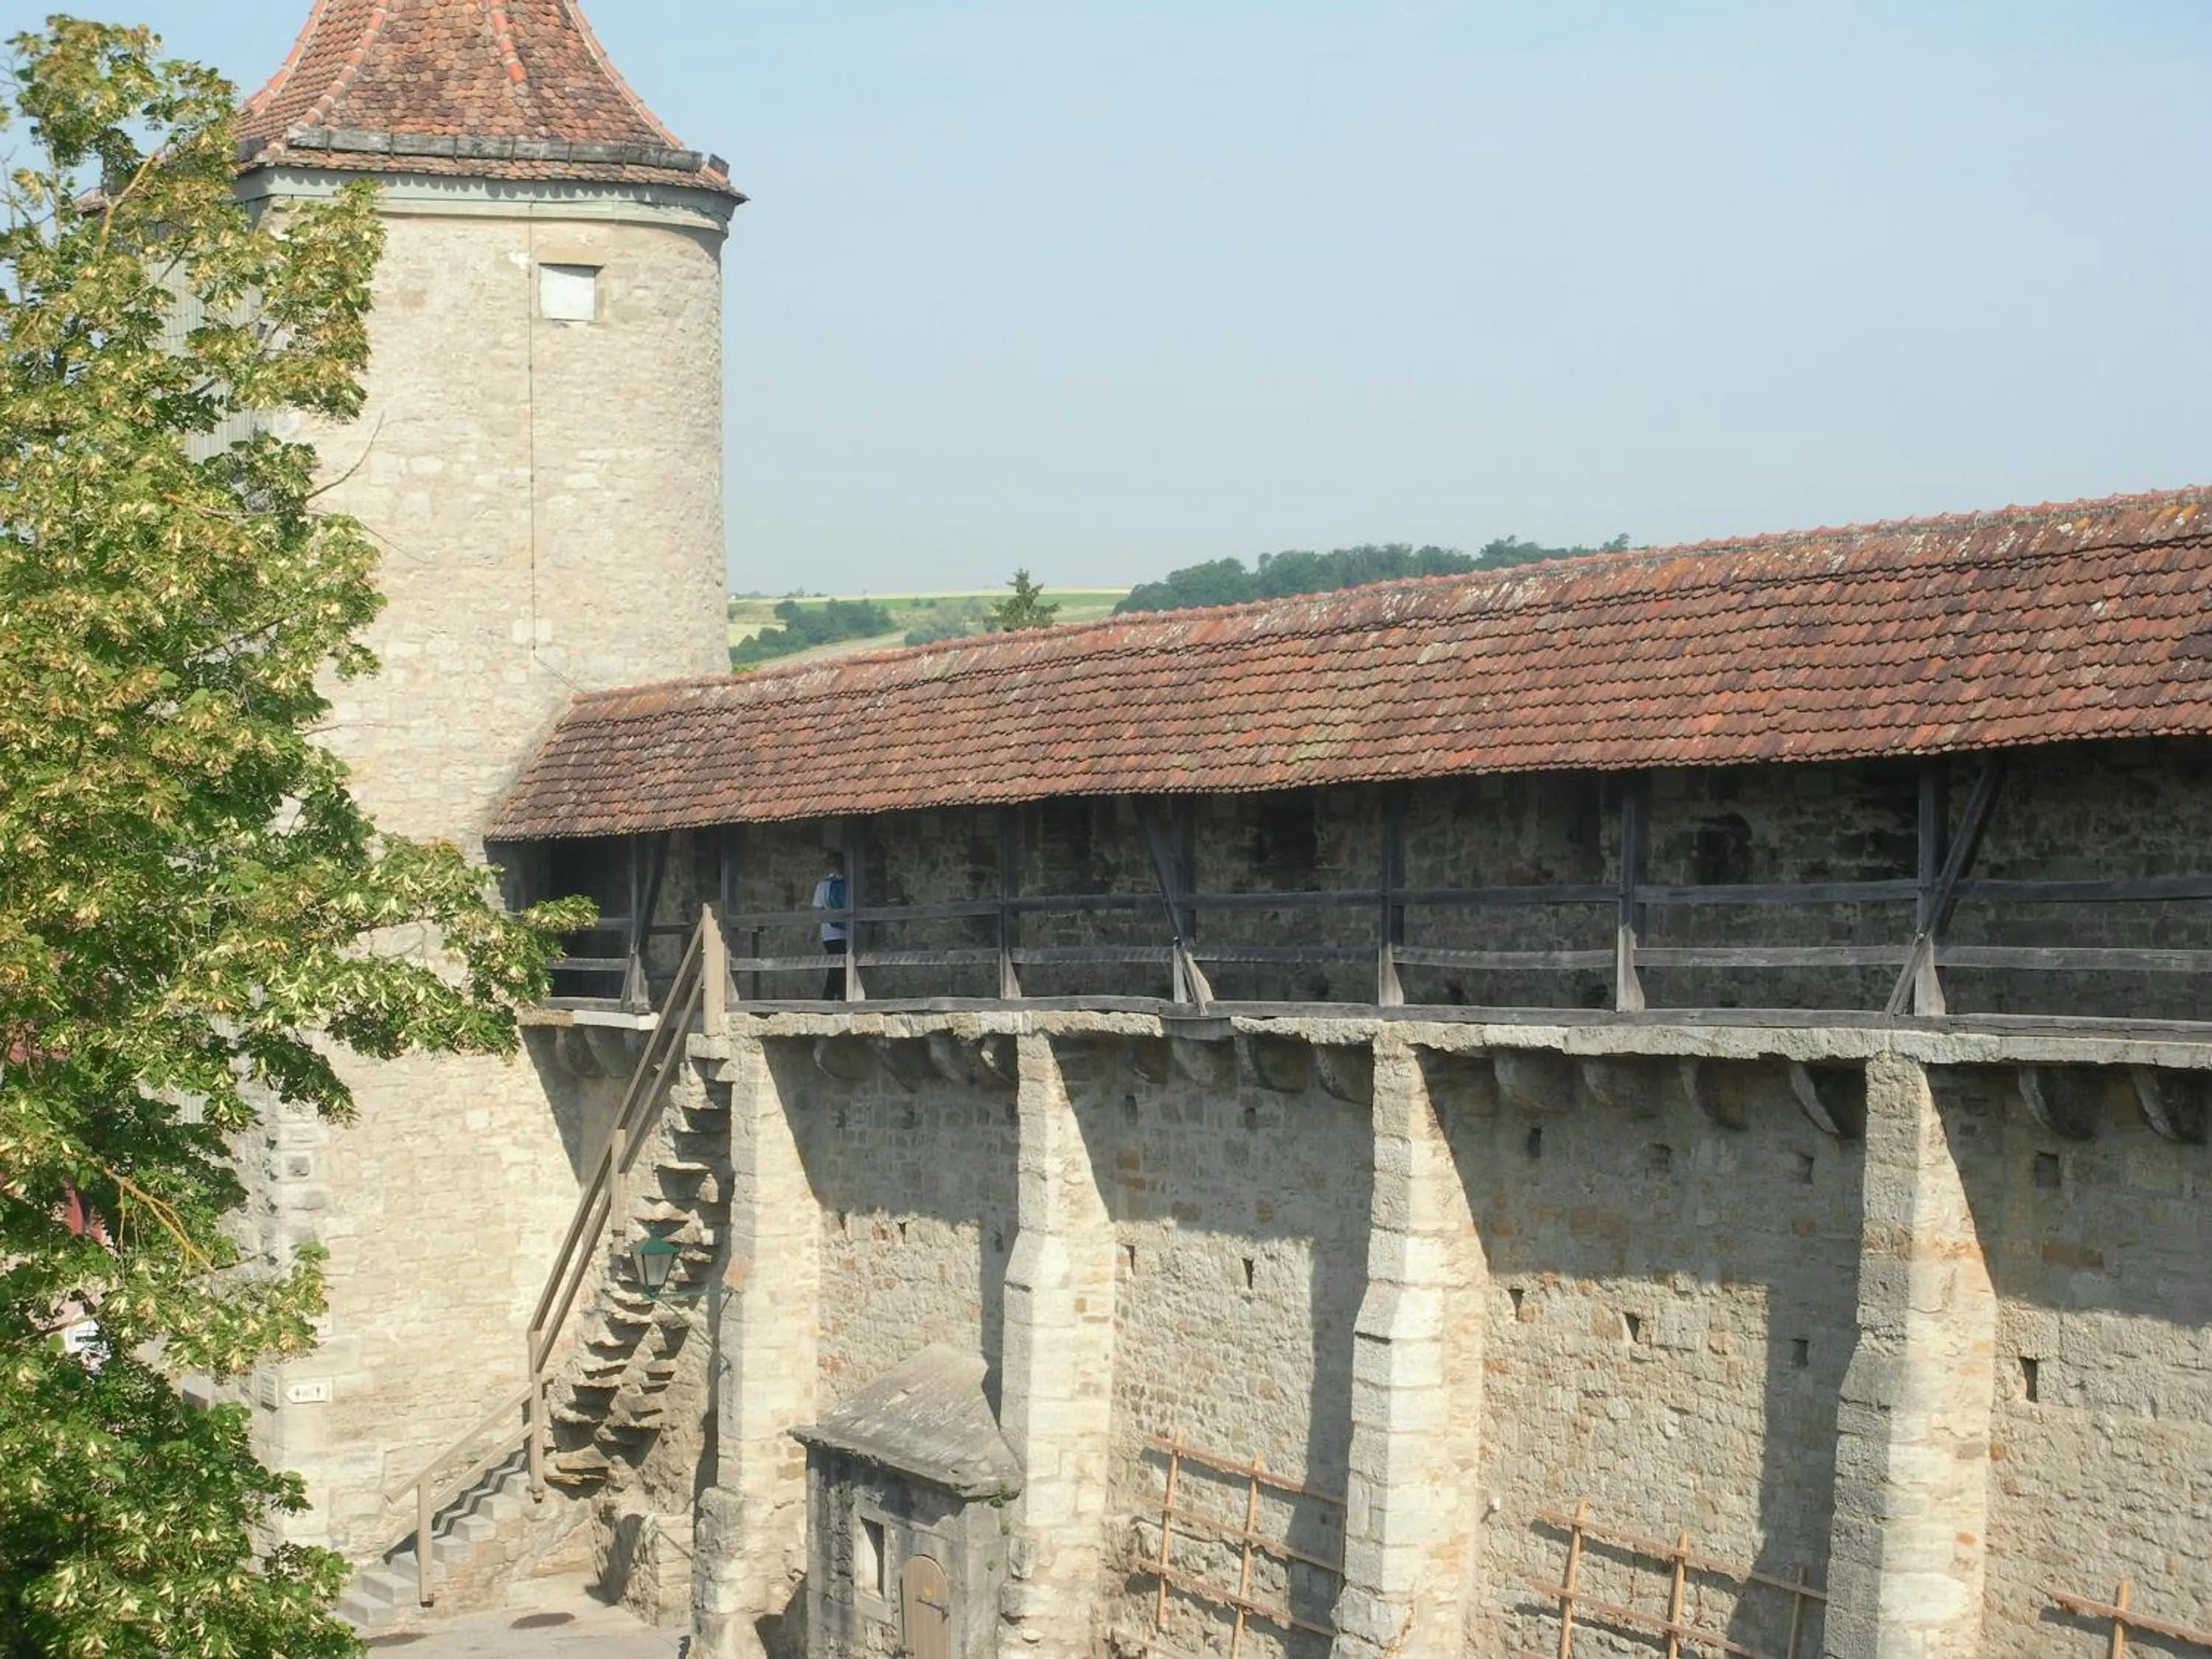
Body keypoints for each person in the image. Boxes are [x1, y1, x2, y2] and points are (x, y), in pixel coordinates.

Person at [811, 849, 849, 999]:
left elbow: (817, 910)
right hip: (848, 930)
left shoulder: (823, 885)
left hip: (830, 933)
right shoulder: (849, 883)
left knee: (835, 966)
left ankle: (828, 998)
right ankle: (841, 996)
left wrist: (813, 933)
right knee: (842, 966)